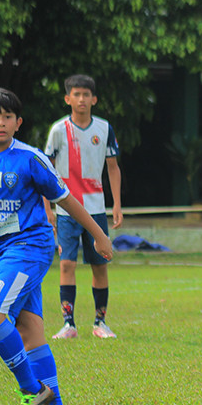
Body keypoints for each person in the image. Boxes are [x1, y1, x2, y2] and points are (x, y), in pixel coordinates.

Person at [0, 86, 113, 405]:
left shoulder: (30, 158)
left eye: (7, 117)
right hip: (3, 252)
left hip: (30, 247)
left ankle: (32, 390)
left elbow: (67, 201)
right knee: (31, 333)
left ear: (18, 122)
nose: (0, 123)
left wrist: (99, 235)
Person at [43, 74, 123, 339]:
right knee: (67, 264)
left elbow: (113, 168)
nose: (81, 99)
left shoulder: (104, 128)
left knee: (100, 264)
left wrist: (117, 205)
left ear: (94, 99)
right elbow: (46, 172)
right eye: (76, 94)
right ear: (67, 99)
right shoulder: (57, 130)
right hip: (66, 210)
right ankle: (69, 324)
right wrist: (47, 208)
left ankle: (100, 323)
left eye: (86, 94)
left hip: (96, 209)